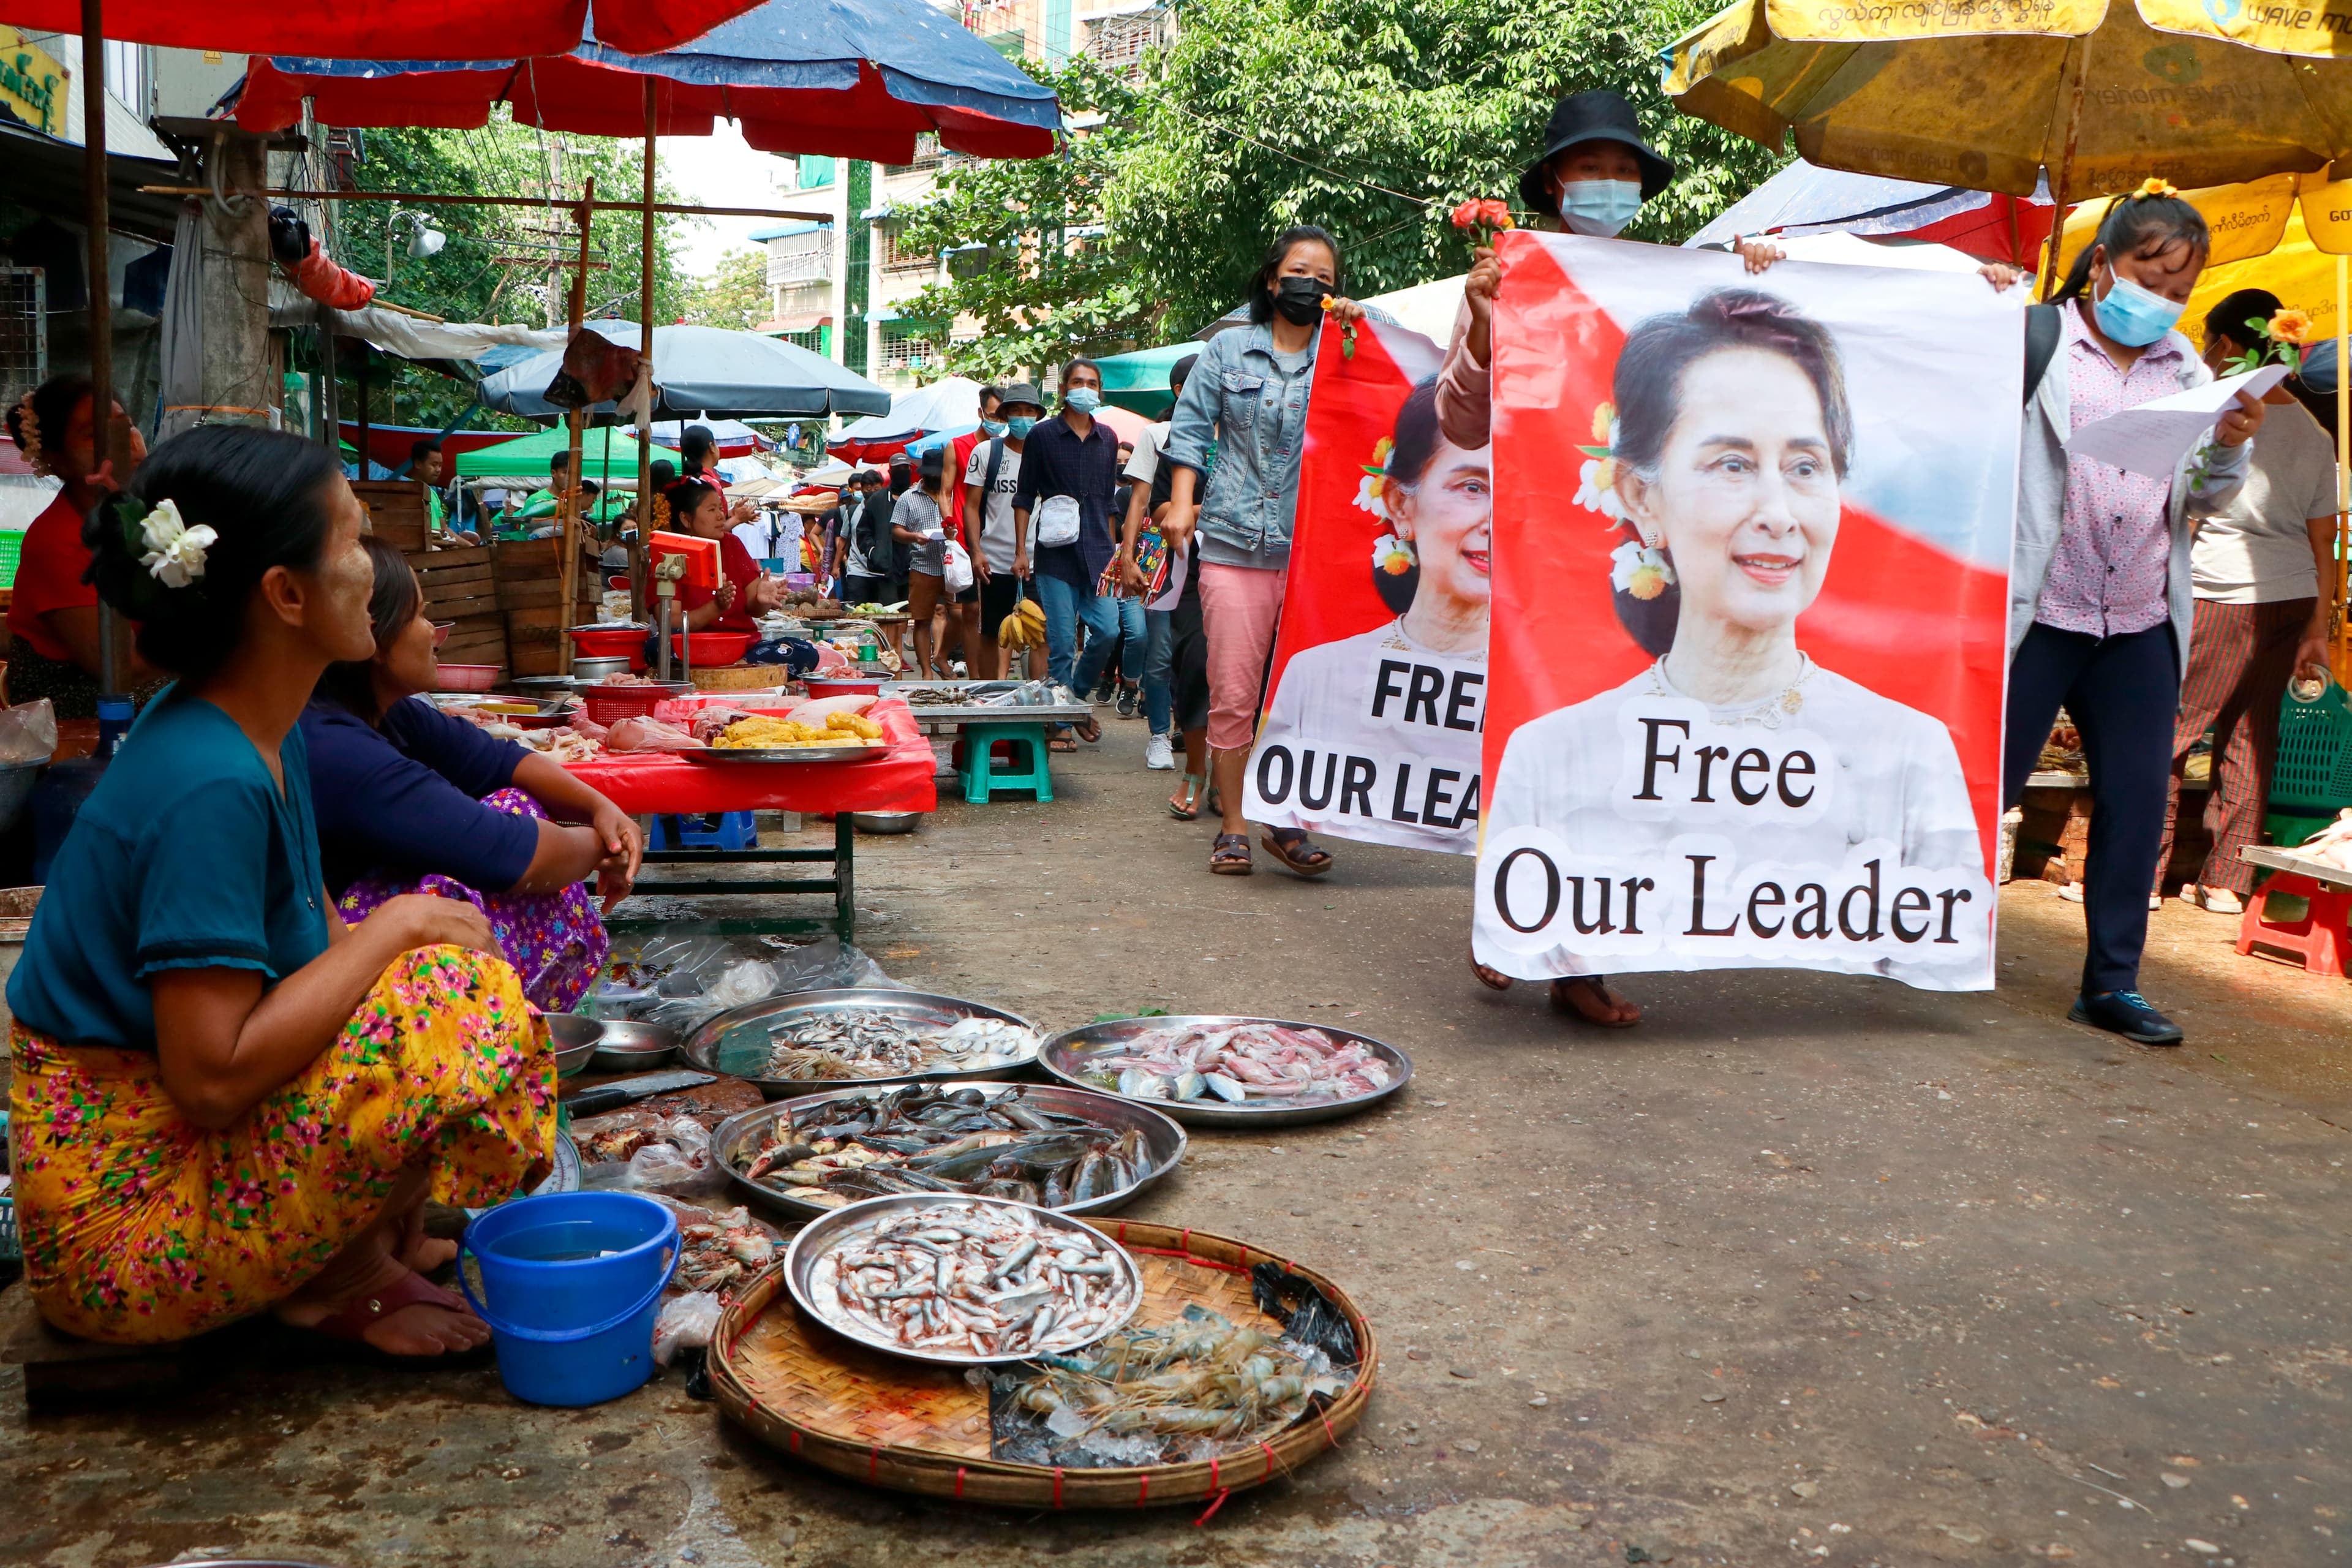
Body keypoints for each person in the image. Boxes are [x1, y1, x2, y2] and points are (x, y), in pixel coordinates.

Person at [6, 423, 552, 1355]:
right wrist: (402, 927)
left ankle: (361, 1242)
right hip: (124, 1238)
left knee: (444, 969)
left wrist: (402, 935)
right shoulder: (208, 777)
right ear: (286, 595)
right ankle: (332, 1280)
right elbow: (211, 1082)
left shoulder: (266, 727)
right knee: (446, 993)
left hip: (184, 1164)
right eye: (349, 539)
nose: (375, 566)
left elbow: (319, 942)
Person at [1477, 290, 1986, 992]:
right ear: (1641, 496)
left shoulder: (1911, 754)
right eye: (1732, 465)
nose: (1777, 514)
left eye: (1805, 468)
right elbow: (1522, 938)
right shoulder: (1549, 758)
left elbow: (1942, 954)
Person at [2002, 188, 2265, 1047]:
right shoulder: (2035, 343)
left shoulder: (2187, 372)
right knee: (1984, 785)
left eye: (2181, 287)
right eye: (2150, 274)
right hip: (2043, 610)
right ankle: (1917, 936)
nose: (2162, 298)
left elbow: (2199, 496)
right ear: (2105, 262)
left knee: (2138, 799)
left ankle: (2113, 984)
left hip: (2139, 618)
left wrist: (2228, 444)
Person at [304, 538, 643, 1011]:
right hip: (331, 970)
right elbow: (507, 853)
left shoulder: (390, 713)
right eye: (421, 616)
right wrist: (603, 848)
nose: (434, 633)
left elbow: (498, 760)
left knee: (517, 801)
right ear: (372, 636)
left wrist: (600, 807)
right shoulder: (337, 747)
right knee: (511, 825)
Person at [1163, 226, 1345, 874]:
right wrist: (1182, 503)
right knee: (1235, 692)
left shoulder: (1347, 350)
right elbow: (1187, 434)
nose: (1311, 285)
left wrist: (1358, 319)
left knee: (1301, 698)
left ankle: (1289, 823)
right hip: (1235, 548)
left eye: (1325, 280)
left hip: (1312, 556)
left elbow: (1406, 369)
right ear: (1272, 280)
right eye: (1300, 272)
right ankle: (1235, 824)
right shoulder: (1227, 350)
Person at [2151, 288, 2337, 914]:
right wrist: (2319, 627)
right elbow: (2324, 540)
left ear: (2227, 346)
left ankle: (2141, 874)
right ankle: (2228, 882)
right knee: (2252, 738)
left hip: (2221, 594)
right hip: (2291, 598)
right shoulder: (2314, 434)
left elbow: (2188, 514)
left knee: (2170, 730)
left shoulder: (2222, 414)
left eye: (2209, 344)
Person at [1254, 380, 1490, 853]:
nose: (1497, 518)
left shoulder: (1552, 704)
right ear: (1402, 504)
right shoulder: (1316, 677)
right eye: (1472, 487)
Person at [5, 375, 170, 717]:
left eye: (127, 425)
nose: (127, 440)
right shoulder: (56, 542)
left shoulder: (145, 511)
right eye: (95, 435)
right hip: (70, 702)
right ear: (58, 459)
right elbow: (121, 668)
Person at [1012, 358, 1123, 750]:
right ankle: (1060, 723)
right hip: (1055, 552)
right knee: (1061, 644)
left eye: (1091, 383)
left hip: (1098, 552)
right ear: (1062, 389)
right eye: (1077, 382)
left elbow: (1111, 503)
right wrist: (1021, 551)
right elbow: (1024, 497)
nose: (1084, 388)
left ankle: (1071, 700)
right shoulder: (1043, 436)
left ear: (1100, 391)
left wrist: (1115, 557)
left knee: (1108, 630)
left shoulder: (1108, 438)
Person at [1117, 353, 1204, 783]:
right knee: (1159, 650)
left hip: (1218, 561)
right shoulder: (1158, 435)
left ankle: (1197, 735)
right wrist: (1128, 557)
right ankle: (1157, 732)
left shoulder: (1231, 435)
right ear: (1179, 390)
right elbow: (1140, 500)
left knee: (1202, 656)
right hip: (1164, 557)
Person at [967, 385, 1045, 680]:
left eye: (1029, 412)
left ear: (1037, 415)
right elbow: (971, 506)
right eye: (1016, 412)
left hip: (1039, 563)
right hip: (994, 562)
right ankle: (987, 701)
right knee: (991, 634)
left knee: (1040, 636)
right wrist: (976, 551)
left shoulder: (1045, 454)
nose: (1023, 418)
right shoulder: (986, 452)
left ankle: (1039, 705)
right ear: (1005, 416)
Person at [669, 477, 781, 635]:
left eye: (721, 509)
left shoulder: (732, 544)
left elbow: (754, 609)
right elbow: (671, 623)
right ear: (686, 519)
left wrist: (761, 601)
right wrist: (716, 607)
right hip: (690, 648)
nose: (721, 516)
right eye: (711, 510)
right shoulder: (669, 554)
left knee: (803, 651)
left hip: (741, 644)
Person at [899, 445, 964, 679]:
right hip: (923, 565)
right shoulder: (909, 497)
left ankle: (941, 655)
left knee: (960, 615)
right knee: (922, 620)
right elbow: (896, 530)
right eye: (931, 476)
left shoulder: (956, 494)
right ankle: (927, 672)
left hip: (953, 565)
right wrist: (914, 536)